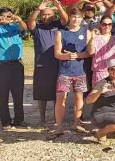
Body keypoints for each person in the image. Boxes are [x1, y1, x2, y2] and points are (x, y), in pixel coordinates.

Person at [50, 8, 92, 139]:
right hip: (64, 72)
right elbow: (57, 54)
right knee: (60, 99)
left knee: (79, 98)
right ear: (69, 17)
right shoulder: (61, 33)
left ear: (82, 18)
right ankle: (58, 126)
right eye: (74, 17)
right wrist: (67, 56)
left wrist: (77, 55)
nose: (76, 20)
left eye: (79, 17)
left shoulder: (87, 32)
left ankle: (76, 123)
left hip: (80, 71)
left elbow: (90, 53)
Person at [27, 0, 68, 125]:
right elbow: (30, 23)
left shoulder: (57, 25)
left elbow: (65, 20)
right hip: (41, 65)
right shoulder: (37, 28)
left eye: (49, 14)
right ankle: (42, 118)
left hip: (57, 64)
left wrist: (59, 8)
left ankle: (57, 117)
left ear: (53, 15)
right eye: (44, 14)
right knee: (41, 93)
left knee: (58, 91)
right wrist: (38, 8)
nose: (46, 17)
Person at [0, 8, 28, 130]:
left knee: (18, 93)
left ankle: (19, 120)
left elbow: (24, 28)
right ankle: (5, 122)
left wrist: (20, 20)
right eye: (3, 16)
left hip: (17, 63)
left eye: (9, 16)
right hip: (2, 65)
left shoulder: (15, 27)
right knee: (3, 94)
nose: (6, 18)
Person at [88, 16, 115, 86]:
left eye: (109, 24)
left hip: (114, 72)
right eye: (104, 24)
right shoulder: (95, 38)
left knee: (113, 95)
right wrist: (92, 39)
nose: (107, 26)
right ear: (100, 24)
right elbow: (91, 53)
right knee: (99, 95)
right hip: (100, 72)